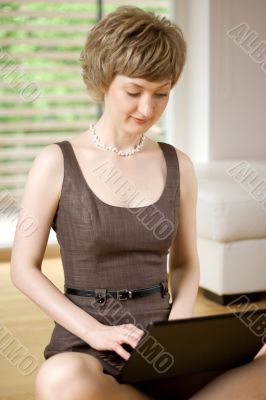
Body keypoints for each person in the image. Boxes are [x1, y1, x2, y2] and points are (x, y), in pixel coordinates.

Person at [10, 5, 266, 400]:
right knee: (59, 382)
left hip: (164, 342)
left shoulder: (177, 164)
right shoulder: (55, 162)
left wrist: (180, 332)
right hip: (88, 340)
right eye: (134, 92)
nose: (147, 109)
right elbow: (24, 269)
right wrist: (95, 330)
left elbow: (185, 264)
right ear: (103, 81)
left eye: (161, 94)